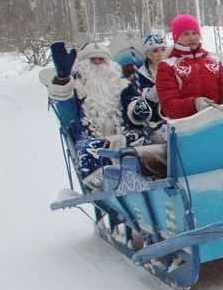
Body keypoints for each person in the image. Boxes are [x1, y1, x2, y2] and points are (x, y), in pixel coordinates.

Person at [40, 41, 150, 191]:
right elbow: (65, 109)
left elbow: (130, 99)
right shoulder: (77, 86)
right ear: (84, 64)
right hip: (90, 138)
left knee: (142, 142)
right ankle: (104, 182)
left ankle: (141, 177)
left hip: (122, 134)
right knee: (91, 151)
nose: (98, 63)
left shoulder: (119, 83)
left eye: (101, 59)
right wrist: (63, 78)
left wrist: (137, 107)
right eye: (93, 59)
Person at [156, 13, 223, 120]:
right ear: (176, 38)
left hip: (218, 123)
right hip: (189, 128)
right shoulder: (168, 66)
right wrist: (194, 104)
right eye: (185, 34)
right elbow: (169, 107)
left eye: (195, 33)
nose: (192, 38)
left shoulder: (213, 61)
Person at [131, 33, 168, 142]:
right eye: (155, 51)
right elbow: (144, 102)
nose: (160, 54)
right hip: (155, 122)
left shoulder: (176, 67)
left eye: (163, 49)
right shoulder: (141, 75)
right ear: (148, 55)